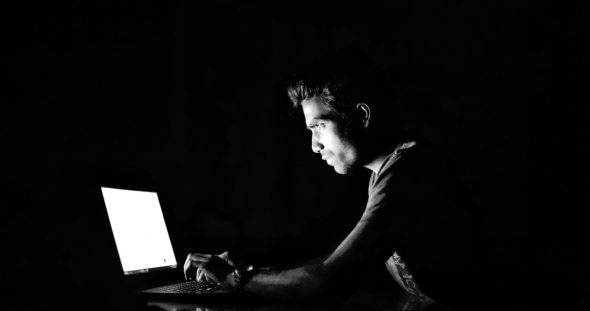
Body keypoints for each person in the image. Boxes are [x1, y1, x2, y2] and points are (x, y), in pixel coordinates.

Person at [183, 50, 479, 309]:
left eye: (320, 126)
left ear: (361, 116)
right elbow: (337, 263)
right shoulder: (387, 170)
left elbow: (327, 281)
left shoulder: (409, 172)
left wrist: (237, 279)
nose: (314, 145)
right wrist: (250, 270)